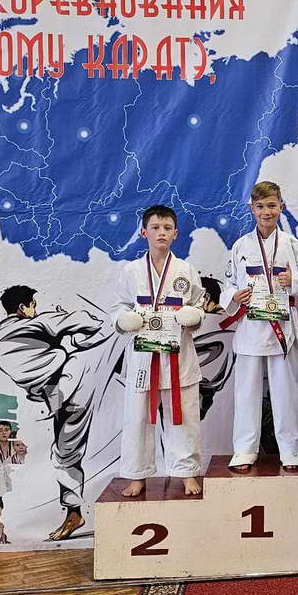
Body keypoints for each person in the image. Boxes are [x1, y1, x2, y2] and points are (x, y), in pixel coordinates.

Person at [0, 284, 123, 540]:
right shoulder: (38, 323)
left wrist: (65, 341)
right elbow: (89, 322)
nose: (36, 310)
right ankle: (74, 513)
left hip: (58, 389)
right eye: (33, 306)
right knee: (64, 451)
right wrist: (70, 335)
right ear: (22, 308)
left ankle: (74, 511)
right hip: (72, 377)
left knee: (65, 451)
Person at [112, 204, 206, 497]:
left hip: (178, 356)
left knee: (184, 416)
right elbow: (119, 306)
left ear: (176, 234)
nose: (161, 233)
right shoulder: (131, 271)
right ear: (144, 232)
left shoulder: (186, 270)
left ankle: (187, 473)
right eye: (155, 227)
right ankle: (137, 475)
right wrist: (123, 319)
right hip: (143, 357)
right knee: (137, 418)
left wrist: (194, 315)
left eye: (167, 228)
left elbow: (199, 304)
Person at [222, 181, 298, 472]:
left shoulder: (291, 244)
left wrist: (293, 280)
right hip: (251, 327)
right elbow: (228, 284)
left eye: (272, 206)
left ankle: (291, 449)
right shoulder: (241, 246)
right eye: (260, 206)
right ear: (252, 208)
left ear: (281, 207)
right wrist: (234, 296)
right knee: (246, 392)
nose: (266, 212)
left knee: (286, 391)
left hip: (282, 328)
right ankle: (244, 449)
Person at [0, 420, 27, 494]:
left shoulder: (20, 448)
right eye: (0, 430)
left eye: (7, 430)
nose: (4, 432)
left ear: (10, 432)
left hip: (19, 487)